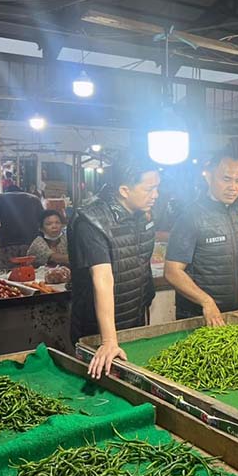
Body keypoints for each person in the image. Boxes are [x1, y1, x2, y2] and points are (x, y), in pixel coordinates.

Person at [69, 156, 160, 377]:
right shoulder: (91, 220)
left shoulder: (142, 213)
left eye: (157, 188)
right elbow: (102, 278)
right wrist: (108, 341)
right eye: (149, 189)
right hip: (97, 330)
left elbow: (140, 263)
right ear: (124, 190)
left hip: (134, 319)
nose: (155, 195)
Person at [165, 150, 238, 326]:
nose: (233, 187)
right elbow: (172, 271)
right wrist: (206, 301)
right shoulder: (190, 217)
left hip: (235, 312)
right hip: (200, 316)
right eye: (226, 179)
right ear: (208, 177)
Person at [0, 186, 44, 269]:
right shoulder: (35, 199)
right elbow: (43, 224)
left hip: (7, 246)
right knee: (32, 277)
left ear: (6, 191)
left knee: (5, 276)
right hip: (32, 246)